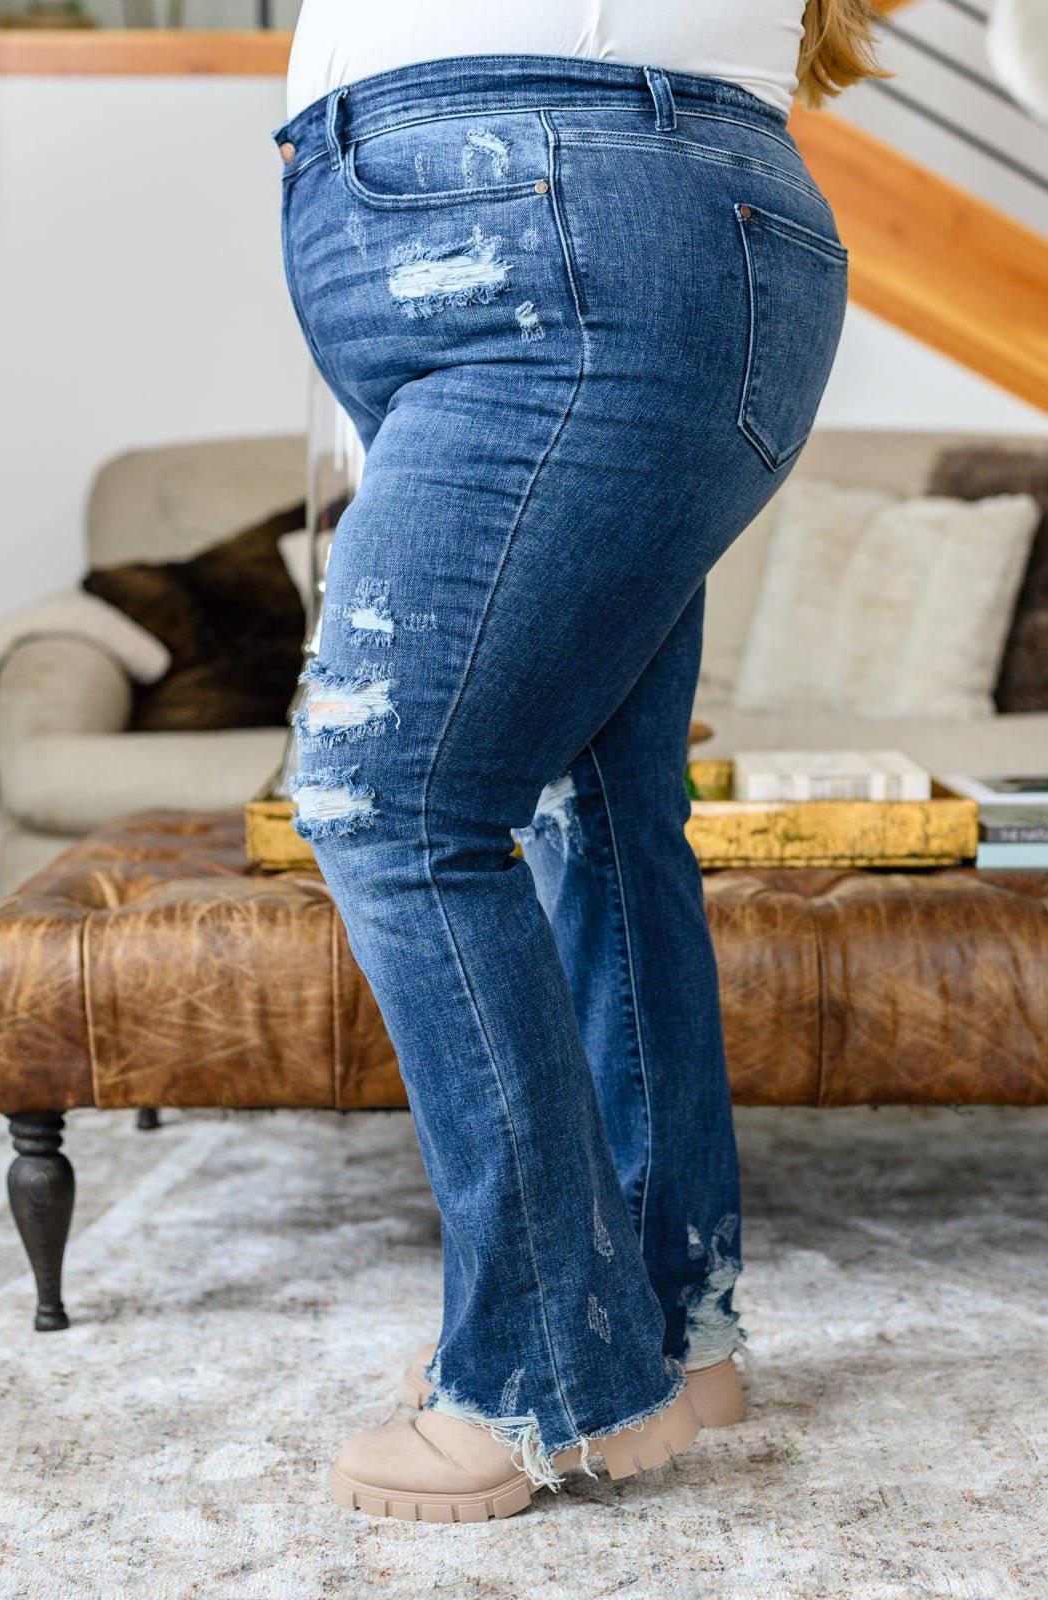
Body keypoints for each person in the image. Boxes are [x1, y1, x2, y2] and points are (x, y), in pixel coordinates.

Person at [274, 0, 880, 1524]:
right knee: (598, 805)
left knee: (391, 804)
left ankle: (543, 1371)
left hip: (551, 209)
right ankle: (665, 1329)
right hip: (544, 212)